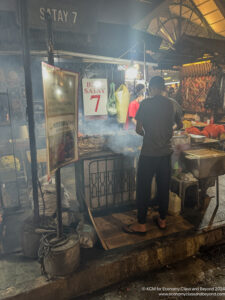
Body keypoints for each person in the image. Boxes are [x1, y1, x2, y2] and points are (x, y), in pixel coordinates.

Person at [123, 76, 182, 234]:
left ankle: (141, 224)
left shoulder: (145, 104)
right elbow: (179, 125)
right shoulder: (172, 104)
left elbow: (138, 129)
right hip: (165, 155)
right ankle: (162, 220)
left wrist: (149, 135)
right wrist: (166, 133)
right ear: (163, 88)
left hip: (149, 154)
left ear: (151, 87)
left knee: (143, 187)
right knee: (164, 187)